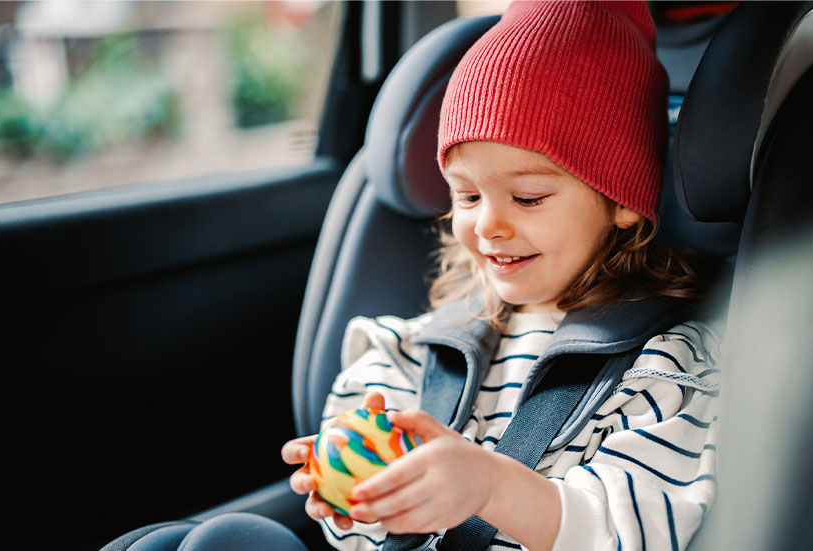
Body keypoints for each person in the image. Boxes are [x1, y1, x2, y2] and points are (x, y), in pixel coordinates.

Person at [278, 2, 723, 550]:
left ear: (621, 200)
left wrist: (491, 488)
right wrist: (360, 491)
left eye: (527, 197)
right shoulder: (417, 350)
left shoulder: (660, 373)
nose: (489, 224)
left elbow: (632, 532)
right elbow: (357, 536)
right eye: (467, 195)